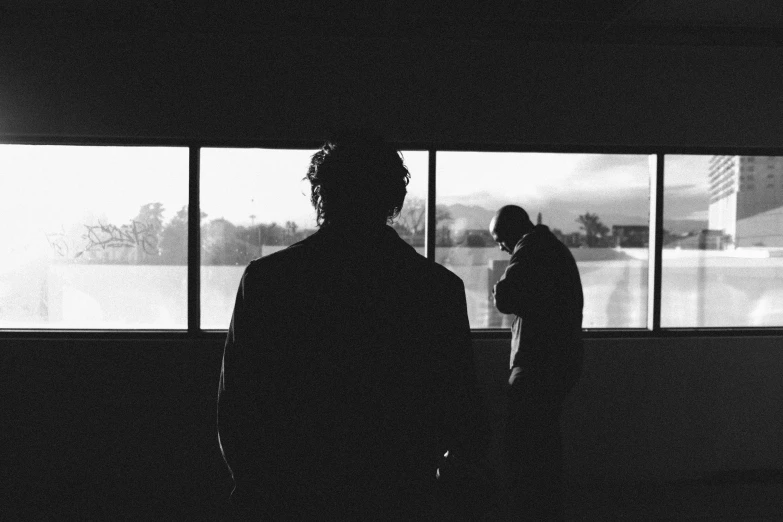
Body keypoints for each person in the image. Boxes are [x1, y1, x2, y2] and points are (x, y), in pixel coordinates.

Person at [217, 132, 489, 520]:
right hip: (399, 491)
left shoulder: (268, 281)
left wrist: (256, 490)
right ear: (394, 200)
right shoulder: (436, 289)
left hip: (292, 492)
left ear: (320, 195)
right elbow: (461, 411)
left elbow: (238, 406)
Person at [489, 205, 584, 521]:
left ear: (512, 230)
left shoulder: (529, 247)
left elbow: (505, 296)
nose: (500, 246)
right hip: (559, 361)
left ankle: (528, 509)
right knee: (543, 442)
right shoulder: (554, 250)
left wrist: (498, 287)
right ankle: (545, 508)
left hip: (536, 364)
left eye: (500, 237)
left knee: (521, 444)